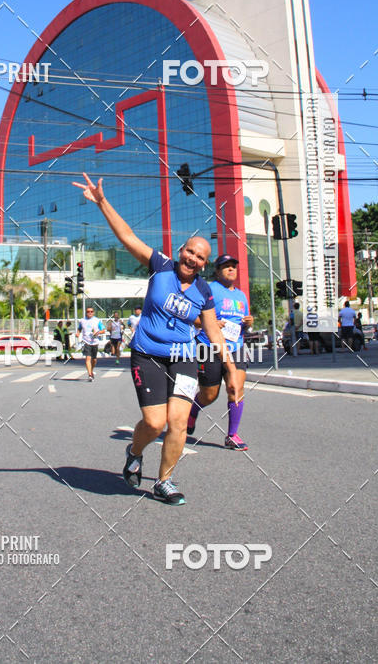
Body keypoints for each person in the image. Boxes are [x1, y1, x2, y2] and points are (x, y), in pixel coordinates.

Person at [73, 172, 235, 506]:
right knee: (154, 421)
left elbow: (213, 330)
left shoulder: (204, 292)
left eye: (200, 257)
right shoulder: (160, 267)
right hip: (147, 355)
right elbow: (128, 236)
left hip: (184, 358)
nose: (192, 259)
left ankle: (165, 481)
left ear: (205, 264)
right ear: (181, 251)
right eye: (189, 252)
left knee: (177, 422)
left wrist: (230, 367)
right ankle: (134, 452)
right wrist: (102, 202)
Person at [186, 255, 254, 450]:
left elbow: (243, 326)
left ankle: (232, 435)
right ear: (217, 271)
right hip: (209, 348)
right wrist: (210, 323)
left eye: (233, 266)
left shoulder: (241, 296)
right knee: (209, 395)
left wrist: (248, 323)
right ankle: (193, 409)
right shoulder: (208, 289)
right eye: (226, 267)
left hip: (236, 347)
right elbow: (193, 318)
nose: (231, 269)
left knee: (235, 388)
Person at [76, 307, 104, 380]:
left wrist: (97, 332)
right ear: (86, 312)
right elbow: (79, 328)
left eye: (91, 311)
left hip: (95, 342)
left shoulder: (97, 320)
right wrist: (78, 333)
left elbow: (103, 330)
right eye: (88, 311)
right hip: (86, 341)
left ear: (93, 312)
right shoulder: (82, 320)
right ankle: (90, 375)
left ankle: (91, 371)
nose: (90, 313)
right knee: (88, 358)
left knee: (94, 360)